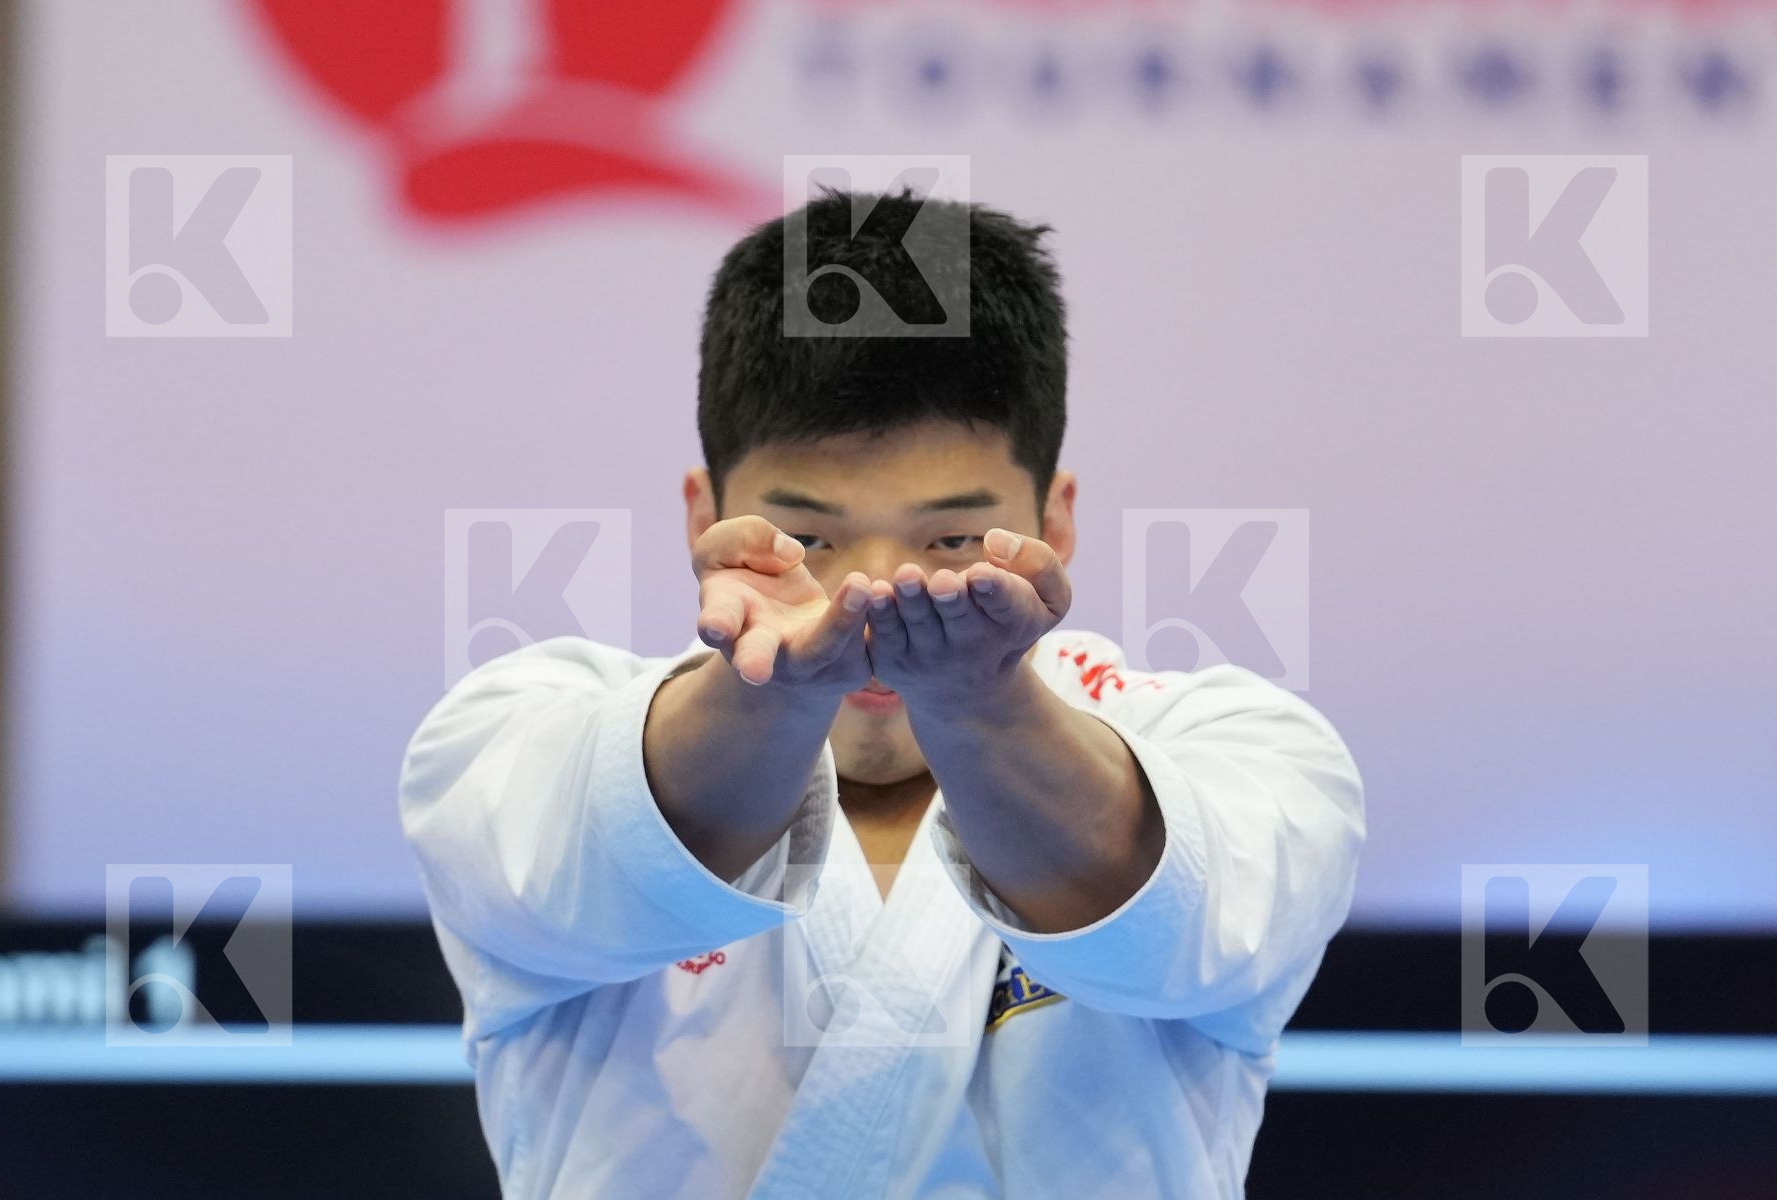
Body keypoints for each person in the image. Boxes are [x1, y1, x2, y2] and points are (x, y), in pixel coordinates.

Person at [399, 188, 1365, 1199]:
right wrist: (773, 692)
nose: (870, 596)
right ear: (704, 516)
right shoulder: (518, 732)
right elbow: (570, 867)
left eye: (950, 539)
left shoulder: (1236, 749)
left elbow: (1185, 932)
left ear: (1057, 520)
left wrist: (983, 703)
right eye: (807, 538)